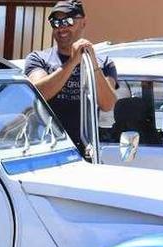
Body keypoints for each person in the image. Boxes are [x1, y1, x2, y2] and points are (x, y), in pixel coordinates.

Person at [24, 0, 117, 153]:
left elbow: (107, 104)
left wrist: (92, 64)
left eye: (68, 21)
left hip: (84, 150)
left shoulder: (104, 63)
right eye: (56, 22)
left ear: (83, 22)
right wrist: (72, 62)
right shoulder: (38, 59)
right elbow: (38, 93)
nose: (62, 27)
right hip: (45, 148)